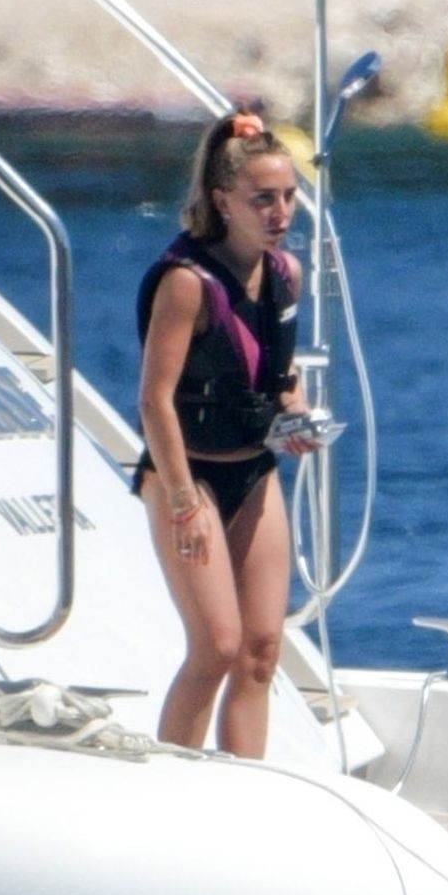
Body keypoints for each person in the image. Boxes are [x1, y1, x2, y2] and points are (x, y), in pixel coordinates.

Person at [134, 113, 318, 758]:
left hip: (253, 469)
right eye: (263, 199)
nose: (280, 212)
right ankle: (172, 787)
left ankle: (245, 786)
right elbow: (154, 400)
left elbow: (279, 374)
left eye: (289, 197)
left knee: (261, 650)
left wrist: (295, 412)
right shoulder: (188, 283)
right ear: (223, 201)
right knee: (216, 646)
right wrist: (184, 502)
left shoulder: (286, 274)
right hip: (187, 474)